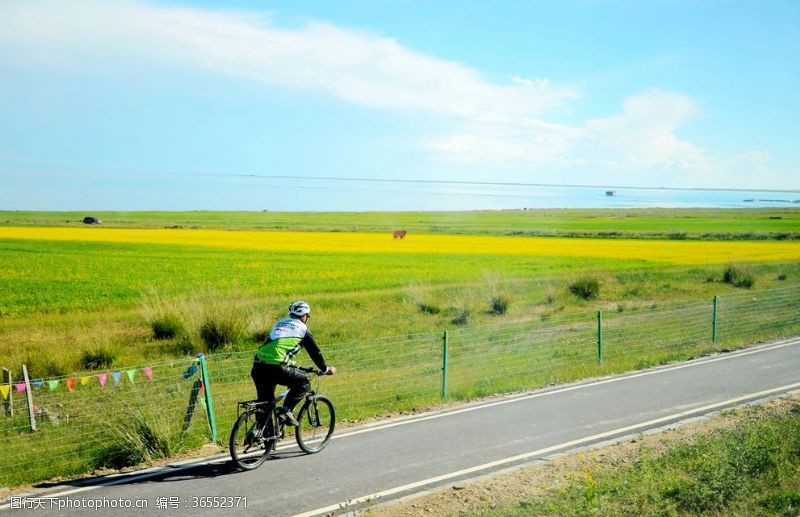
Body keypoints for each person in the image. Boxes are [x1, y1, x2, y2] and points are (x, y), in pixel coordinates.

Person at [251, 301, 336, 426]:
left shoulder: (279, 324)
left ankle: (262, 436)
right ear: (304, 316)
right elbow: (315, 352)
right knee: (304, 381)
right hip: (276, 368)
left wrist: (289, 363)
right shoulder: (303, 329)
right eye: (307, 316)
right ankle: (286, 411)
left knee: (266, 403)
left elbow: (273, 347)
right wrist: (325, 369)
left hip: (258, 367)